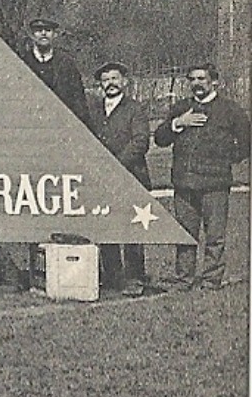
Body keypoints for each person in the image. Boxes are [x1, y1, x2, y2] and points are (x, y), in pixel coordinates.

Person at [154, 64, 251, 291]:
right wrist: (178, 123)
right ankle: (184, 279)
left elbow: (246, 143)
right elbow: (160, 138)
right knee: (185, 235)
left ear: (214, 82)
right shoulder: (181, 108)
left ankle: (211, 280)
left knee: (215, 236)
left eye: (201, 78)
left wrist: (225, 158)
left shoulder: (231, 110)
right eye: (192, 79)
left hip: (215, 184)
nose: (197, 83)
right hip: (184, 183)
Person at [88, 61, 152, 296]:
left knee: (132, 229)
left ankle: (135, 278)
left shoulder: (136, 109)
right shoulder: (94, 110)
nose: (110, 84)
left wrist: (115, 165)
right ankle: (113, 276)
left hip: (131, 177)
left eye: (115, 78)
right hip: (103, 179)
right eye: (105, 80)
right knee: (106, 226)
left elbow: (140, 142)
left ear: (124, 81)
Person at [18, 16, 91, 128]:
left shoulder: (66, 63)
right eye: (38, 30)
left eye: (48, 30)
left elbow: (78, 100)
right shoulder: (23, 61)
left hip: (61, 125)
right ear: (32, 35)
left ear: (54, 34)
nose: (43, 33)